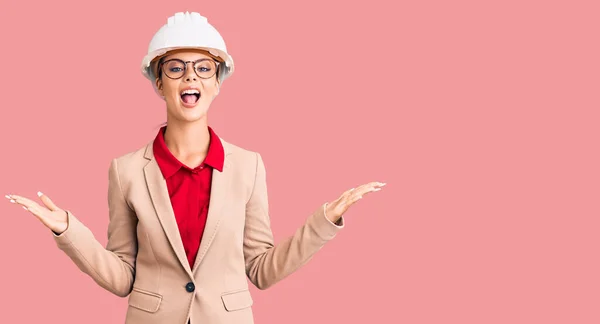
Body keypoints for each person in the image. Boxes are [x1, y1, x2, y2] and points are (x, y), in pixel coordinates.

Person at [5, 11, 385, 324]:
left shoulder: (248, 167)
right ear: (157, 81)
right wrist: (68, 231)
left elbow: (261, 270)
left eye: (204, 68)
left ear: (218, 82)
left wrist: (324, 222)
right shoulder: (125, 171)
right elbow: (123, 277)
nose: (191, 77)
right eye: (176, 68)